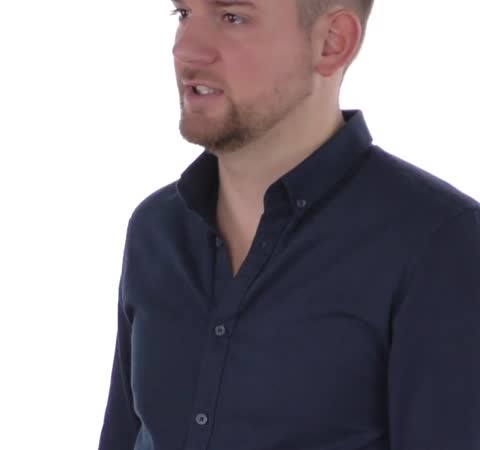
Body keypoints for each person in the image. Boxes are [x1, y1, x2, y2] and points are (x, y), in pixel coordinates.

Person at [97, 0, 480, 449]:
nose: (186, 49)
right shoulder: (156, 230)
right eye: (183, 14)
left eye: (232, 17)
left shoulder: (438, 243)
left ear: (332, 42)